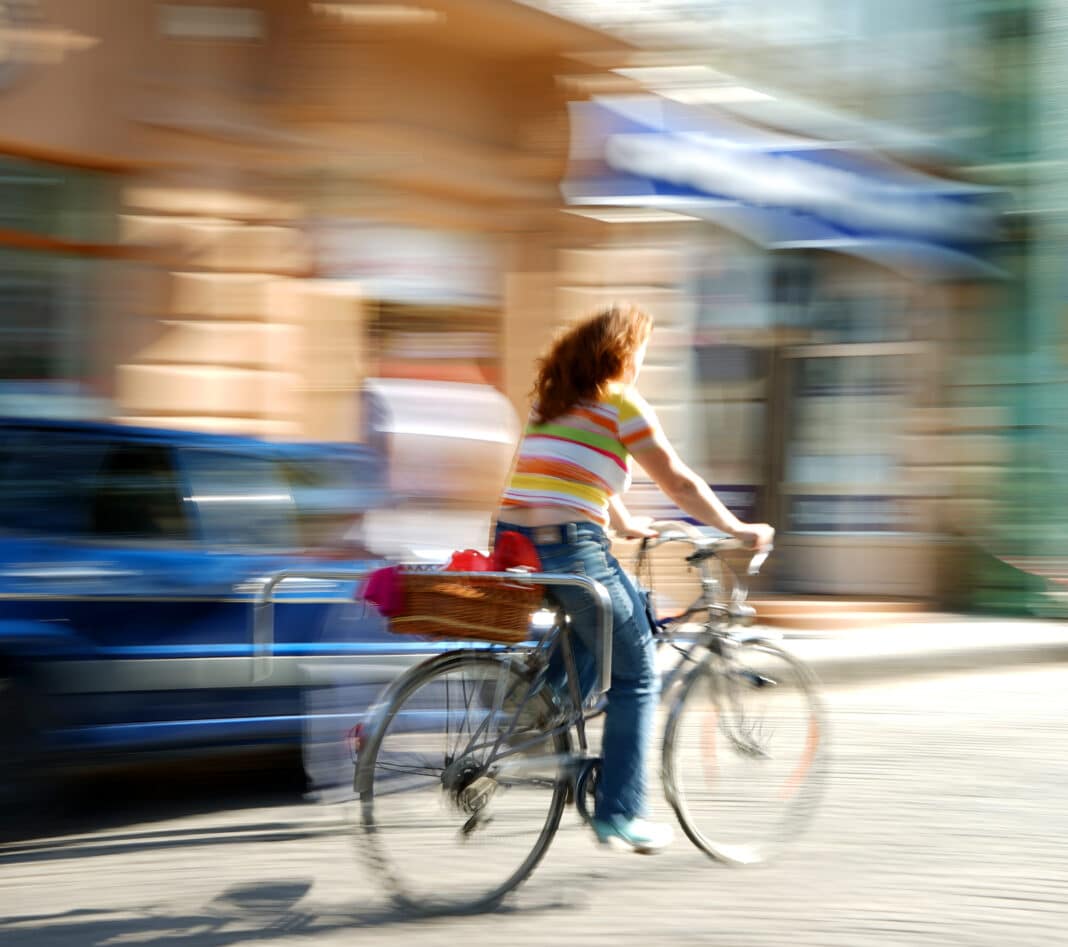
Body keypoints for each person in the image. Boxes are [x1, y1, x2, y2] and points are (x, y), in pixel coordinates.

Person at [493, 303, 774, 854]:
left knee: (624, 612)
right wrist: (738, 528)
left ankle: (536, 706)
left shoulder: (552, 403)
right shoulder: (621, 402)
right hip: (571, 546)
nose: (643, 359)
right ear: (622, 350)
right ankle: (620, 813)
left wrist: (622, 521)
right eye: (641, 348)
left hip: (516, 542)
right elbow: (679, 481)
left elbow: (569, 475)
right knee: (640, 670)